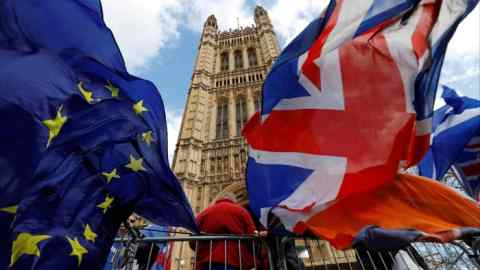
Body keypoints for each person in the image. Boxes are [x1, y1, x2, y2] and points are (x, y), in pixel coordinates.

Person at [192, 193, 257, 270]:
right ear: (234, 201)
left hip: (207, 260)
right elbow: (252, 234)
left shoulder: (204, 212)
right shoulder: (241, 211)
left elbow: (193, 238)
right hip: (235, 258)